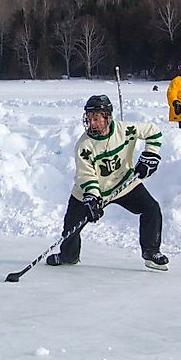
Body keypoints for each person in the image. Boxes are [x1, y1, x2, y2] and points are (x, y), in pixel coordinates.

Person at [46, 95, 170, 271]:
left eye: (96, 119)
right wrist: (92, 198)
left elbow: (153, 131)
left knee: (151, 209)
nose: (92, 123)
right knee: (71, 229)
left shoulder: (125, 130)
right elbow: (86, 175)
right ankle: (68, 255)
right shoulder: (84, 145)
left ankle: (151, 252)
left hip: (123, 184)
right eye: (89, 119)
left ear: (107, 117)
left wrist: (151, 155)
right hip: (88, 193)